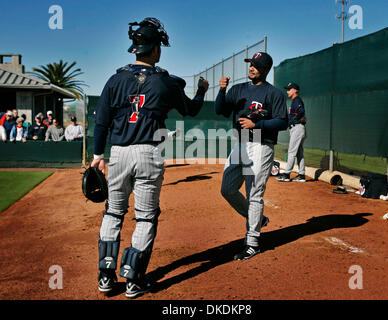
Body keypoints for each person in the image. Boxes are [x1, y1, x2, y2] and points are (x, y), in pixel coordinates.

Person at [91, 17, 209, 298]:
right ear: (156, 49)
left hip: (118, 152)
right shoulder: (166, 82)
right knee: (145, 218)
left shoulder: (115, 78)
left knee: (113, 212)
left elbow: (101, 123)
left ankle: (106, 277)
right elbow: (191, 110)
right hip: (148, 152)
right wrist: (203, 90)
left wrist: (98, 155)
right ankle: (133, 280)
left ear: (134, 47)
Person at [215, 52, 288, 260]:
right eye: (250, 64)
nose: (251, 68)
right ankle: (259, 219)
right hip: (240, 144)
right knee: (227, 189)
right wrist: (222, 91)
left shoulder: (273, 93)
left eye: (255, 65)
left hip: (261, 144)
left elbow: (283, 121)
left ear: (265, 69)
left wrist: (258, 124)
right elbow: (220, 110)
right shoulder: (238, 89)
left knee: (254, 193)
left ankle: (253, 241)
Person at [276, 82, 307, 182]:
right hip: (297, 128)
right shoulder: (295, 101)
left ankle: (286, 174)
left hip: (297, 128)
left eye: (289, 89)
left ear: (294, 90)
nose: (287, 91)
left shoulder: (297, 100)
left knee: (292, 151)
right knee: (299, 153)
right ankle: (301, 175)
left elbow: (301, 112)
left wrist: (296, 119)